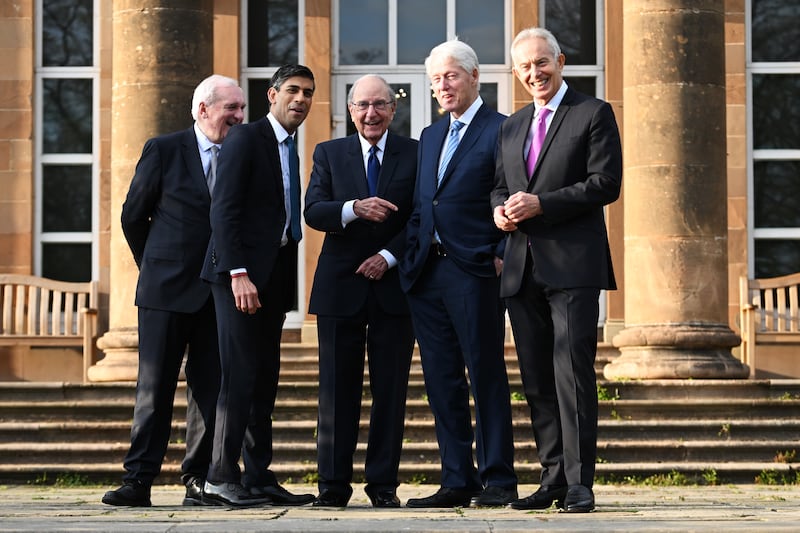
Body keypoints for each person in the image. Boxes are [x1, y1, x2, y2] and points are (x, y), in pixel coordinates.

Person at [492, 27, 622, 513]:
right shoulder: (511, 126)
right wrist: (500, 211)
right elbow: (499, 187)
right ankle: (550, 478)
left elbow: (605, 183)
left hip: (573, 266)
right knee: (537, 380)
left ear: (561, 61)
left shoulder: (593, 113)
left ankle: (578, 482)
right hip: (521, 268)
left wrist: (540, 203)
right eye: (524, 67)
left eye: (541, 63)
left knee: (571, 373)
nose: (534, 73)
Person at [104, 75, 246, 507]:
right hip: (164, 292)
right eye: (232, 109)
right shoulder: (164, 149)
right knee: (155, 387)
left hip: (216, 293)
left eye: (242, 109)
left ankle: (198, 481)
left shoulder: (242, 154)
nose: (240, 117)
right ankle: (139, 481)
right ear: (203, 109)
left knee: (209, 391)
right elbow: (133, 216)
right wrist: (155, 263)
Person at [399, 39, 518, 508]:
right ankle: (456, 480)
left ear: (474, 77)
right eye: (435, 80)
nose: (442, 86)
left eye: (450, 76)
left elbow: (513, 191)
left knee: (485, 374)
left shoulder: (503, 130)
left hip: (476, 271)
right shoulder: (429, 137)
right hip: (427, 274)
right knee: (441, 379)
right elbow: (421, 205)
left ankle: (498, 480)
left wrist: (502, 251)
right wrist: (411, 253)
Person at [199, 64, 317, 507]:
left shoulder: (288, 146)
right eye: (292, 90)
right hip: (238, 279)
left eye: (307, 92)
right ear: (271, 95)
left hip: (271, 280)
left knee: (264, 377)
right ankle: (219, 477)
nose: (300, 99)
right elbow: (223, 210)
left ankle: (258, 477)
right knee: (239, 375)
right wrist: (238, 273)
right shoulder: (246, 138)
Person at [304, 75, 418, 508]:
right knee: (336, 391)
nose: (371, 114)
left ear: (393, 109)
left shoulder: (415, 153)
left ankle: (383, 487)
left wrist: (389, 256)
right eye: (362, 106)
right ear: (350, 110)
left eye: (379, 105)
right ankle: (332, 488)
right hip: (340, 289)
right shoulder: (329, 153)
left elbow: (423, 217)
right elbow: (314, 210)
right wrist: (353, 209)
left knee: (391, 391)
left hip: (395, 288)